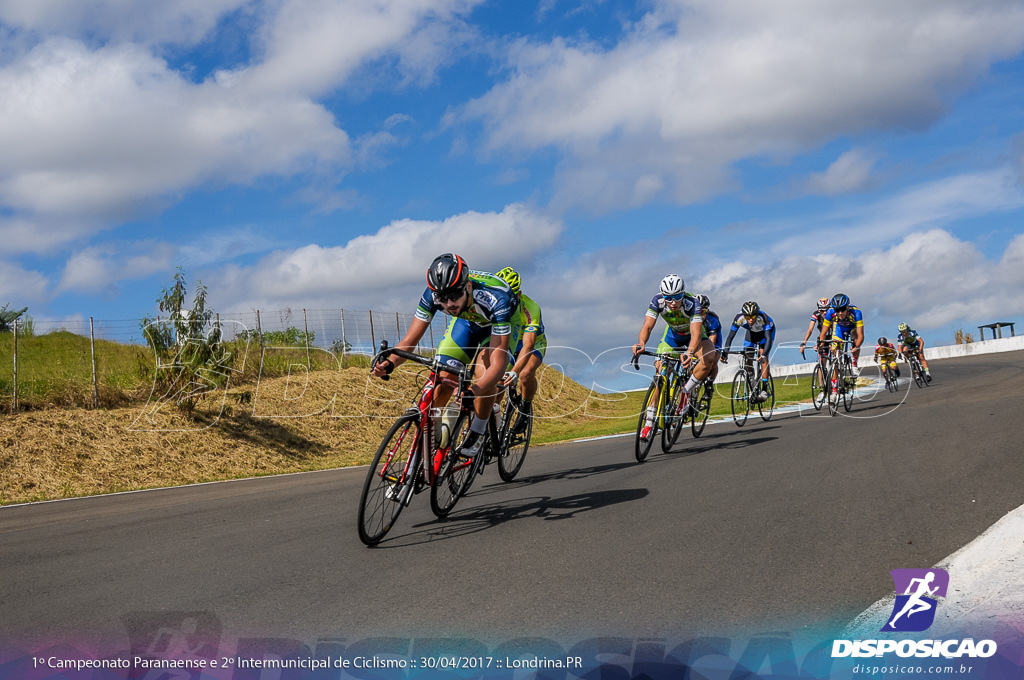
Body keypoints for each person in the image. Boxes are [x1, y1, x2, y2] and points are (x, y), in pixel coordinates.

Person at [370, 253, 516, 457]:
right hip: (466, 322)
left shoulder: (495, 298)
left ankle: (478, 431)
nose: (448, 304)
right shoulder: (434, 294)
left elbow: (498, 364)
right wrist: (391, 362)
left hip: (497, 324)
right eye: (442, 298)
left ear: (468, 286)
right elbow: (410, 340)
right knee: (443, 376)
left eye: (454, 296)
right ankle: (430, 441)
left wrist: (474, 390)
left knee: (484, 372)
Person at [632, 274, 718, 440]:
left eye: (677, 297)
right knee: (660, 373)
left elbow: (695, 333)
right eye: (668, 298)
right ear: (663, 295)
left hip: (694, 338)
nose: (672, 302)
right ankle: (649, 422)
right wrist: (641, 343)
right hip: (673, 337)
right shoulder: (657, 301)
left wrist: (690, 352)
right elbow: (647, 326)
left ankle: (685, 392)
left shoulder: (692, 303)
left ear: (683, 294)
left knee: (709, 358)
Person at [495, 266, 546, 434]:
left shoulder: (531, 308)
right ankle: (492, 419)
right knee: (497, 381)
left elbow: (528, 345)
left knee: (525, 374)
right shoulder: (496, 305)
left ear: (518, 293)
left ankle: (525, 408)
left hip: (534, 343)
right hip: (511, 342)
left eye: (511, 294)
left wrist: (515, 371)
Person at [721, 301, 776, 402]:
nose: (750, 320)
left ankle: (764, 389)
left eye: (753, 317)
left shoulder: (763, 318)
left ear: (756, 315)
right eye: (748, 317)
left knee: (763, 355)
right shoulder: (739, 318)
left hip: (765, 334)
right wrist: (725, 352)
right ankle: (752, 381)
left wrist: (763, 355)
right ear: (744, 316)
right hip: (751, 333)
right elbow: (730, 336)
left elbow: (768, 338)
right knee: (748, 356)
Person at [818, 293, 865, 375]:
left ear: (847, 307)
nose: (840, 313)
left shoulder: (856, 312)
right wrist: (821, 344)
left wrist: (856, 347)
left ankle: (854, 364)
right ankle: (835, 385)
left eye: (842, 309)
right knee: (835, 354)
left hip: (852, 327)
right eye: (837, 310)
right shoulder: (830, 312)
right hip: (839, 328)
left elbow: (861, 335)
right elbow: (823, 333)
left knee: (856, 340)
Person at [696, 294, 723, 362]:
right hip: (699, 337)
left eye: (702, 311)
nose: (699, 315)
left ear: (707, 310)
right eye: (696, 312)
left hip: (713, 339)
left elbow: (712, 340)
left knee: (710, 359)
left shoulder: (713, 318)